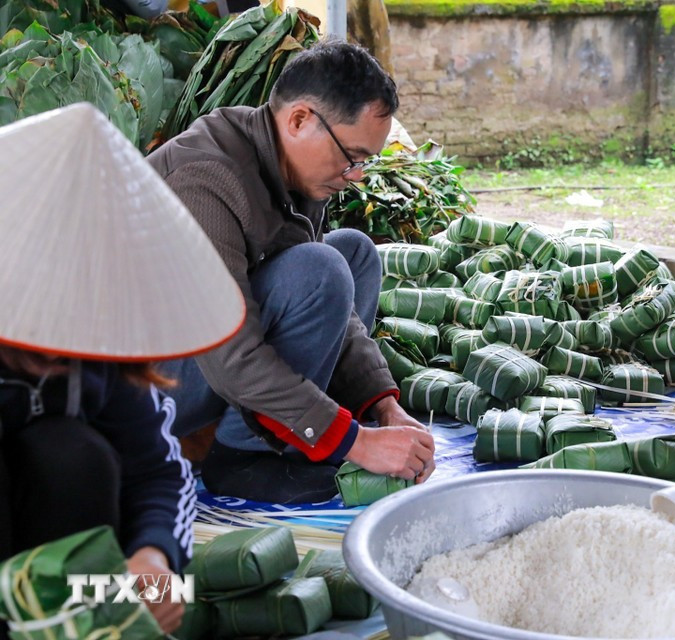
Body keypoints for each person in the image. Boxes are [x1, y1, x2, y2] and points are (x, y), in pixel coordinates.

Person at [148, 40, 435, 504]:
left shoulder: (292, 169)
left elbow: (335, 314)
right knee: (321, 269)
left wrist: (384, 405)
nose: (355, 174)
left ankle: (294, 434)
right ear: (300, 120)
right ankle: (240, 456)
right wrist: (356, 443)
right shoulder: (206, 176)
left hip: (200, 356)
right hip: (140, 384)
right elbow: (230, 354)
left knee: (354, 252)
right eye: (352, 156)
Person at [0, 103, 245, 635]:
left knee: (75, 455)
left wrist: (155, 558)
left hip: (39, 579)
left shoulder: (96, 347)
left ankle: (71, 620)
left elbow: (160, 472)